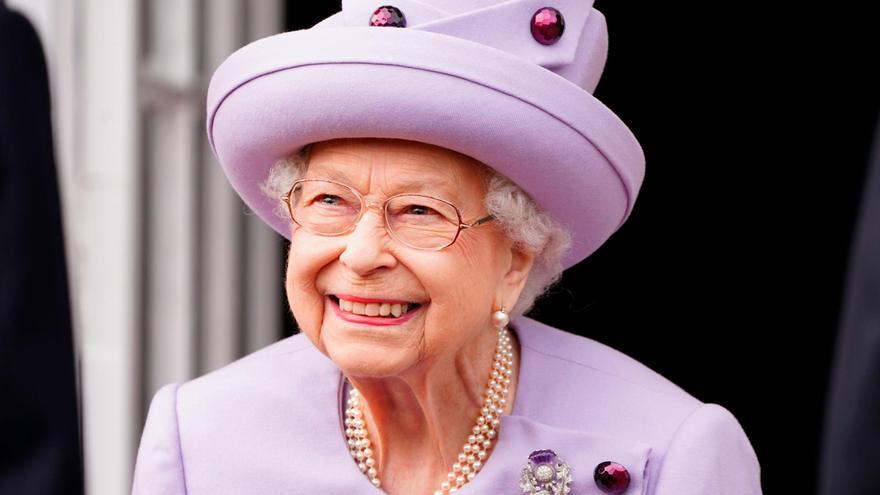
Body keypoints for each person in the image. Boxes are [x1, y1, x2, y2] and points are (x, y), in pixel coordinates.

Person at [132, 1, 761, 494]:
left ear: (517, 256)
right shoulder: (200, 434)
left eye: (420, 212)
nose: (361, 255)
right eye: (329, 201)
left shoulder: (671, 448)